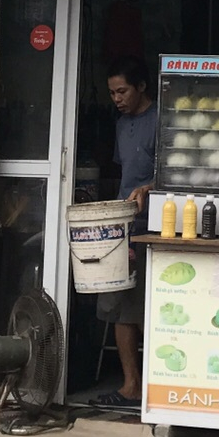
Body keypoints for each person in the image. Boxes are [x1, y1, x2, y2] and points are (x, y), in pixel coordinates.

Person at [94, 57, 156, 411]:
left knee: (142, 308)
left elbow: (176, 172)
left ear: (141, 87)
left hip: (151, 228)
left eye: (122, 91)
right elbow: (124, 173)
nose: (117, 99)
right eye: (112, 93)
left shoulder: (160, 120)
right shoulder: (121, 124)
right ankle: (130, 384)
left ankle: (154, 386)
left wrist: (149, 187)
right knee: (117, 307)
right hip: (122, 225)